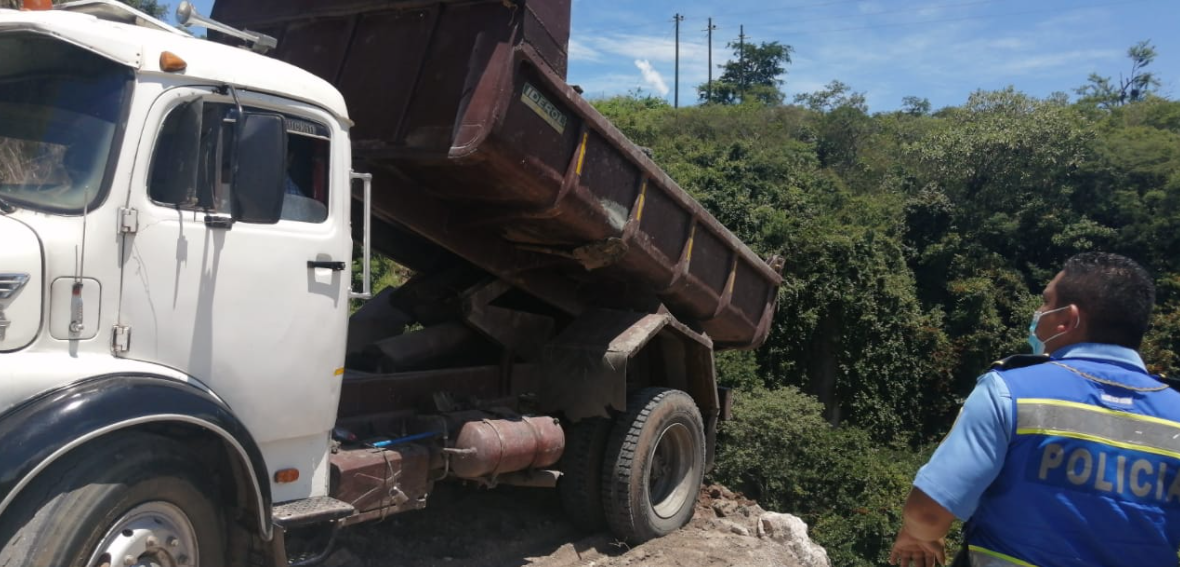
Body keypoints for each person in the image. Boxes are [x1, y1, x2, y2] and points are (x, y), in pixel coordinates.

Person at [890, 252, 1179, 567]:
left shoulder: (1010, 391)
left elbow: (927, 513)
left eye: (1045, 302)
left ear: (1067, 318)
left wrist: (919, 535)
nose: (1038, 313)